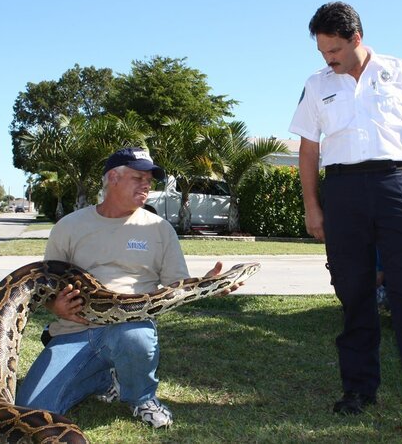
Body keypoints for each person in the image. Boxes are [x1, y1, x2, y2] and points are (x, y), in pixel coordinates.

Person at [289, 2, 402, 428]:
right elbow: (309, 148)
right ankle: (358, 389)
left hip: (395, 185)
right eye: (322, 52)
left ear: (356, 38)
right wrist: (312, 206)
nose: (328, 59)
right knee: (354, 294)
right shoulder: (317, 85)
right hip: (342, 190)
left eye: (334, 50)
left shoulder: (399, 70)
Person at [15, 146, 238, 428]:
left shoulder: (159, 229)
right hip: (74, 331)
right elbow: (47, 285)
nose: (146, 184)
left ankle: (141, 398)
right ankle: (105, 378)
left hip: (128, 327)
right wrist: (54, 306)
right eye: (138, 177)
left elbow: (175, 286)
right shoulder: (69, 226)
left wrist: (208, 284)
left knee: (135, 336)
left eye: (149, 179)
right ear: (113, 178)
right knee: (32, 412)